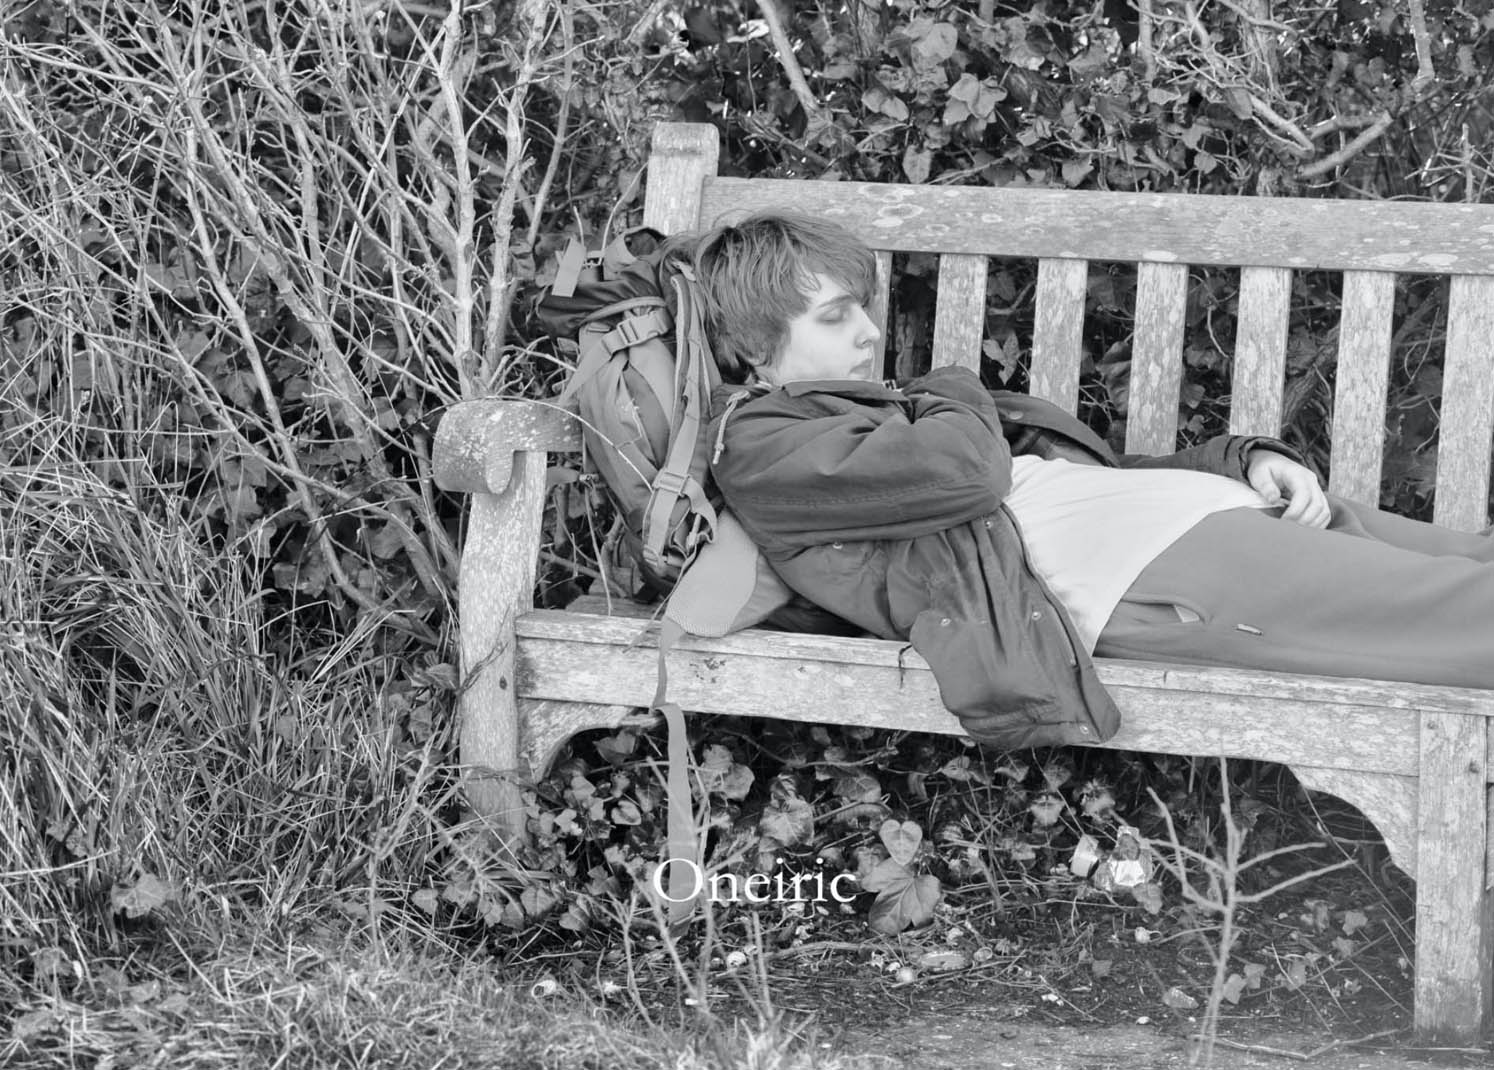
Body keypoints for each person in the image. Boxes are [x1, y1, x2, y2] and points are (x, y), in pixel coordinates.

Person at [688, 212, 1494, 750]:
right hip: (1145, 572)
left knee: (1472, 562)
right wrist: (955, 384)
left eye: (864, 309)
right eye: (836, 318)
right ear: (757, 346)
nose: (868, 335)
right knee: (1463, 619)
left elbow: (1087, 474)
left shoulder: (883, 407)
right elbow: (971, 474)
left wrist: (1240, 460)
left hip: (1191, 522)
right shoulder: (763, 442)